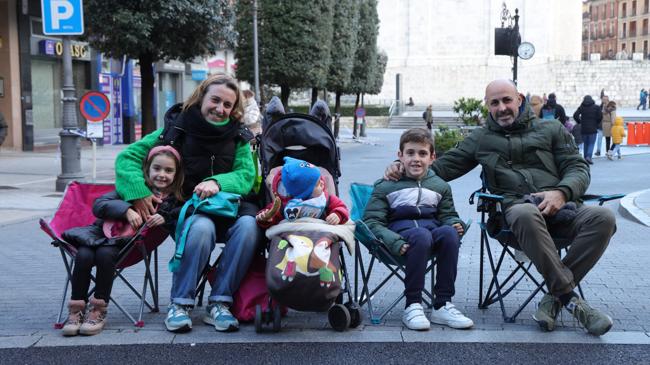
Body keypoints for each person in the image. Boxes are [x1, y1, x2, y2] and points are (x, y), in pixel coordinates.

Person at [385, 80, 617, 336]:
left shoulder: (552, 129)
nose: (502, 107)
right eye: (494, 103)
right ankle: (571, 300)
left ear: (519, 99)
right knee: (524, 212)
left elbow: (578, 168)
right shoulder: (481, 139)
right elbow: (439, 169)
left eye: (507, 100)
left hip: (563, 211)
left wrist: (561, 193)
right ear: (487, 106)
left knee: (603, 217)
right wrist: (400, 168)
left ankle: (555, 297)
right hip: (514, 218)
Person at [115, 73, 262, 333]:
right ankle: (180, 304)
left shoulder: (240, 136)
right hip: (190, 208)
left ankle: (220, 303)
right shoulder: (175, 130)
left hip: (232, 208)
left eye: (227, 105)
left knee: (250, 227)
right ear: (201, 97)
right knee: (201, 227)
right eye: (215, 100)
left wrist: (217, 182)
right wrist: (139, 192)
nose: (220, 109)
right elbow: (128, 157)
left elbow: (247, 176)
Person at [61, 146, 184, 336]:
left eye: (168, 170)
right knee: (83, 255)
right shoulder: (133, 189)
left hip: (126, 245)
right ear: (147, 170)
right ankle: (76, 309)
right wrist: (126, 209)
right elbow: (99, 205)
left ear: (176, 174)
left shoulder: (174, 200)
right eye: (157, 168)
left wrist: (166, 218)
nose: (162, 174)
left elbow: (184, 213)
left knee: (104, 254)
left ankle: (98, 310)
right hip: (98, 235)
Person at [366, 128, 473, 331]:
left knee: (450, 233)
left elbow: (447, 215)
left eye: (422, 154)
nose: (416, 159)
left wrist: (454, 222)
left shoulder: (440, 186)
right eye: (410, 153)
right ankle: (413, 305)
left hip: (431, 234)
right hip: (401, 237)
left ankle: (442, 304)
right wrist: (394, 241)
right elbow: (371, 222)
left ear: (432, 157)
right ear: (400, 156)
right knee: (421, 235)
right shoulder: (385, 186)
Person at [256, 156, 349, 227]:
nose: (322, 183)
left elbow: (342, 208)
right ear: (304, 193)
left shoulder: (326, 200)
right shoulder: (283, 206)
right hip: (292, 237)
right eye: (317, 184)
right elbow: (270, 214)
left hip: (319, 236)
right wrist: (266, 218)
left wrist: (337, 215)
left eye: (320, 179)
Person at [573, 95, 602, 164]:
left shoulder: (581, 107)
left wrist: (580, 122)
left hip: (584, 128)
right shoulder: (596, 107)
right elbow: (600, 116)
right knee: (591, 143)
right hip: (593, 128)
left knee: (585, 143)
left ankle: (585, 158)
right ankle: (588, 157)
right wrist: (596, 122)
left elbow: (575, 115)